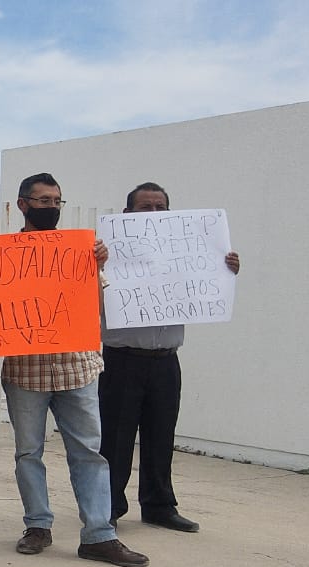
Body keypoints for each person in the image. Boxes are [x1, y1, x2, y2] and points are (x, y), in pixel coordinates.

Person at [3, 172, 149, 567]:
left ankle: (99, 535)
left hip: (76, 367)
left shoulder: (79, 251)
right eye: (42, 200)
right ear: (22, 204)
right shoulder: (2, 254)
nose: (50, 207)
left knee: (88, 453)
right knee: (28, 452)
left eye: (56, 201)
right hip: (25, 370)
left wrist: (98, 269)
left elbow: (103, 310)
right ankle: (37, 526)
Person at [99, 182, 241, 533]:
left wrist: (224, 270)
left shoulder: (186, 247)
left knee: (161, 434)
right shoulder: (109, 251)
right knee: (115, 439)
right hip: (122, 358)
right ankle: (108, 508)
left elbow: (206, 285)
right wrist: (96, 264)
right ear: (128, 213)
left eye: (160, 207)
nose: (153, 214)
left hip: (166, 359)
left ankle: (159, 505)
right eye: (145, 208)